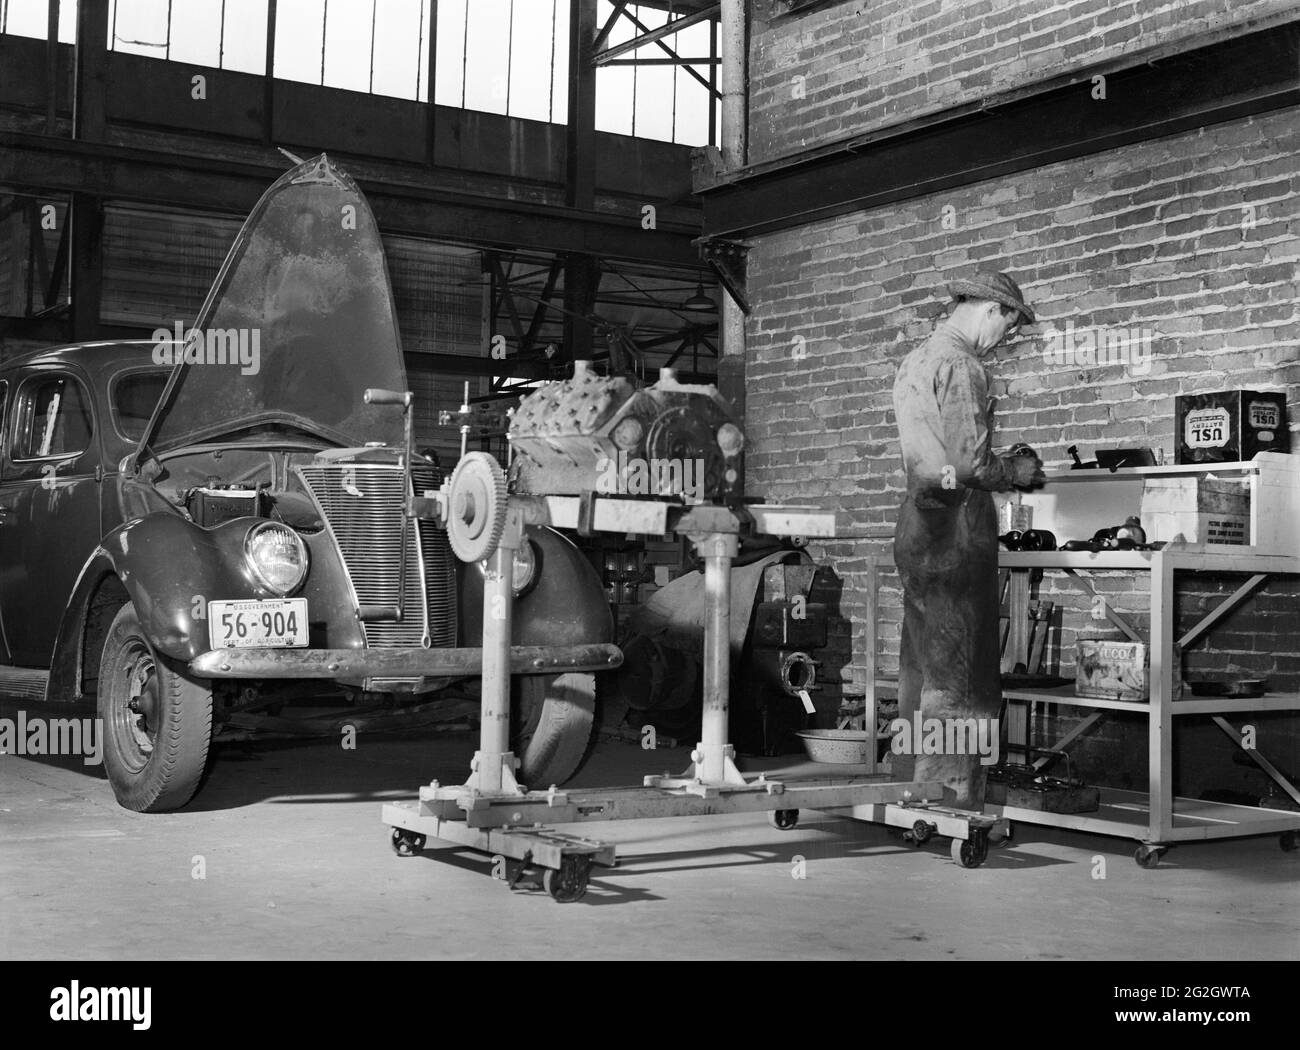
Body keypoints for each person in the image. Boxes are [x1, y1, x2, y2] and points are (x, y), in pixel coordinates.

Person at [890, 270, 1044, 808]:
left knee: (922, 661)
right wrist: (1016, 471)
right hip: (955, 525)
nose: (1005, 336)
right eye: (1009, 324)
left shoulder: (915, 360)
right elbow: (966, 462)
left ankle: (912, 781)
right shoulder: (962, 363)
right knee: (963, 666)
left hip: (917, 521)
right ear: (991, 311)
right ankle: (951, 794)